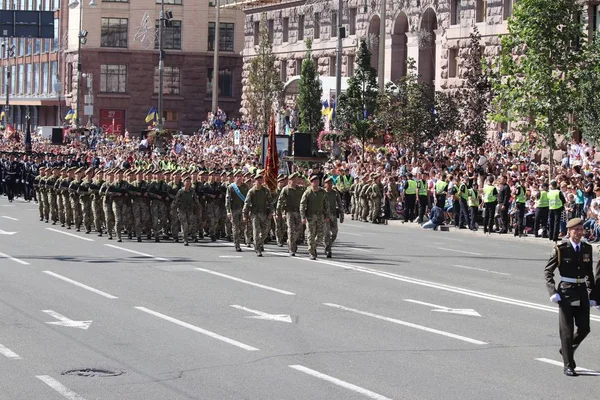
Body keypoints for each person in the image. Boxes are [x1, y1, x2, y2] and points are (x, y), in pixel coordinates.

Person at [544, 218, 599, 376]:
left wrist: (593, 294)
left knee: (584, 328)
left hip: (581, 291)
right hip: (566, 293)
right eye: (576, 230)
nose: (579, 233)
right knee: (566, 331)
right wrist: (552, 291)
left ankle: (566, 349)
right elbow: (548, 271)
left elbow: (589, 273)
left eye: (581, 229)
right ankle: (568, 365)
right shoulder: (561, 248)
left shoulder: (586, 248)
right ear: (569, 231)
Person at [300, 174, 330, 260]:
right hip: (310, 216)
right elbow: (302, 204)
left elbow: (326, 204)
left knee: (321, 235)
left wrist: (327, 215)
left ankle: (313, 247)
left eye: (317, 181)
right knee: (311, 235)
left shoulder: (322, 192)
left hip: (320, 216)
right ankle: (312, 253)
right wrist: (303, 217)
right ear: (311, 183)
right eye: (314, 182)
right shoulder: (308, 192)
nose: (316, 183)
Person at [243, 173, 271, 257]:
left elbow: (270, 202)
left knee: (265, 231)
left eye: (261, 180)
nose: (259, 181)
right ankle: (257, 248)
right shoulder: (251, 191)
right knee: (256, 231)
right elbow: (247, 203)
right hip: (255, 214)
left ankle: (259, 242)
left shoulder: (265, 191)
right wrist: (245, 214)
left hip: (264, 213)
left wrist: (271, 212)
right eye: (258, 180)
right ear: (255, 181)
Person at [225, 170, 249, 252]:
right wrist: (228, 211)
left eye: (240, 176)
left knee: (242, 227)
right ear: (234, 177)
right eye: (237, 176)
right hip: (234, 209)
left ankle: (241, 238)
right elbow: (227, 200)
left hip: (243, 210)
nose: (239, 178)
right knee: (235, 228)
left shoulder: (245, 186)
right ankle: (237, 245)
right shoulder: (231, 187)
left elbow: (248, 199)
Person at [173, 175, 199, 246]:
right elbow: (175, 201)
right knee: (185, 225)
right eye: (186, 181)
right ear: (184, 183)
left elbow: (196, 200)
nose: (188, 183)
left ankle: (187, 235)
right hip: (182, 210)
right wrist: (174, 209)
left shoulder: (192, 191)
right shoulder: (181, 191)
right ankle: (185, 239)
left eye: (189, 181)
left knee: (190, 224)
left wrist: (197, 207)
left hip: (190, 210)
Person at [324, 176, 344, 258]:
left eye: (331, 183)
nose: (330, 185)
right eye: (328, 183)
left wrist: (342, 215)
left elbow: (340, 204)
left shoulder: (335, 193)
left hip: (333, 214)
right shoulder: (322, 192)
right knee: (327, 234)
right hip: (325, 216)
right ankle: (328, 250)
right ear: (325, 184)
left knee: (335, 233)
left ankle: (328, 246)